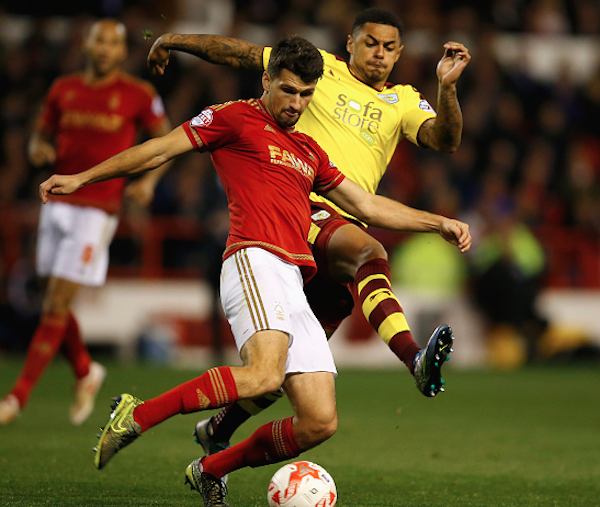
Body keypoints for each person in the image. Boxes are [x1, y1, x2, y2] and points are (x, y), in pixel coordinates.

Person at [39, 36, 471, 507]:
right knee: (264, 376)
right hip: (253, 257)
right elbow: (158, 149)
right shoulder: (233, 117)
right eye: (288, 91)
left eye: (306, 95)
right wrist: (83, 177)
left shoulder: (307, 149)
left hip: (294, 277)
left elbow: (366, 204)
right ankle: (137, 415)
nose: (297, 104)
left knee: (319, 421)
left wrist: (438, 223)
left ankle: (210, 467)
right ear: (266, 80)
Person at [146, 6, 471, 455]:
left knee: (290, 370)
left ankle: (217, 432)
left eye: (389, 47)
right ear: (350, 44)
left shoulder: (405, 101)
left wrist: (448, 89)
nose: (379, 54)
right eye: (370, 43)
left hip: (343, 226)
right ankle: (413, 357)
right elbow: (242, 54)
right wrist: (175, 40)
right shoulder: (317, 70)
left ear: (399, 54)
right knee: (370, 253)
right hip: (303, 209)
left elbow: (445, 140)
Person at [0, 19, 172, 426]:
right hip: (56, 199)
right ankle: (84, 369)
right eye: (99, 42)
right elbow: (39, 136)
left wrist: (147, 181)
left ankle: (15, 398)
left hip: (98, 209)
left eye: (113, 43)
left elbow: (166, 142)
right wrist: (39, 148)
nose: (104, 49)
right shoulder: (64, 88)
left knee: (56, 304)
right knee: (51, 294)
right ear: (88, 45)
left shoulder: (138, 94)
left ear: (122, 50)